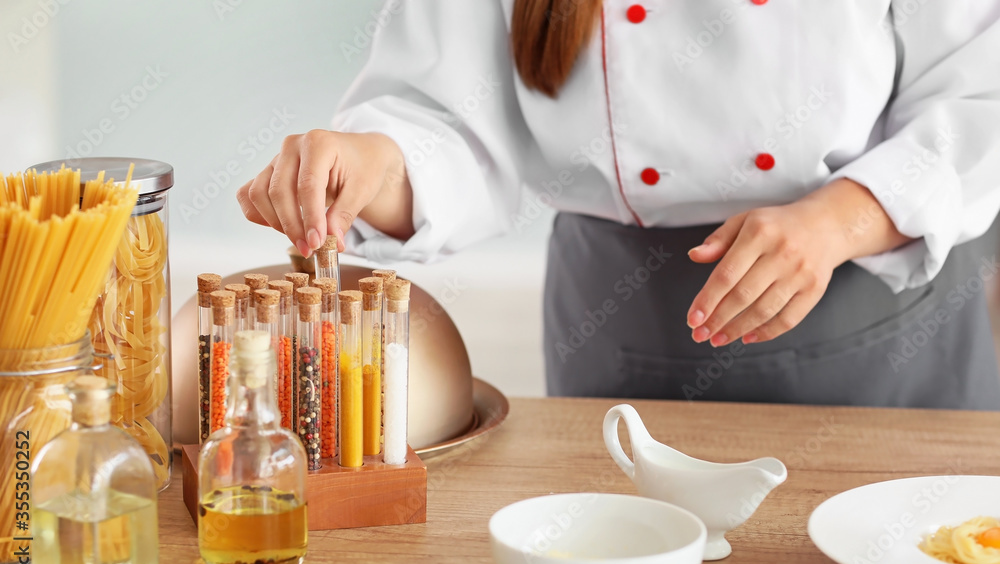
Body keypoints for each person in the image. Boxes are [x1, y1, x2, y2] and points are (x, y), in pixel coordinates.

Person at [237, 0, 1000, 409]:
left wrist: (838, 220)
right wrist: (374, 160)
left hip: (877, 319)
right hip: (621, 325)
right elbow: (452, 118)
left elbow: (980, 87)